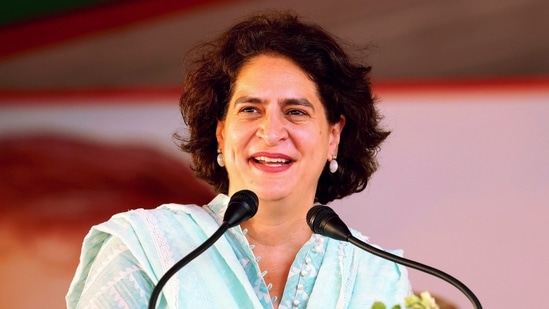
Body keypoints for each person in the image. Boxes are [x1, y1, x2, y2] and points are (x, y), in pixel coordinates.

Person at [66, 10, 411, 308]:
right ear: (220, 133)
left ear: (333, 136)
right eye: (250, 109)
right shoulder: (148, 251)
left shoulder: (376, 274)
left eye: (295, 111)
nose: (271, 131)